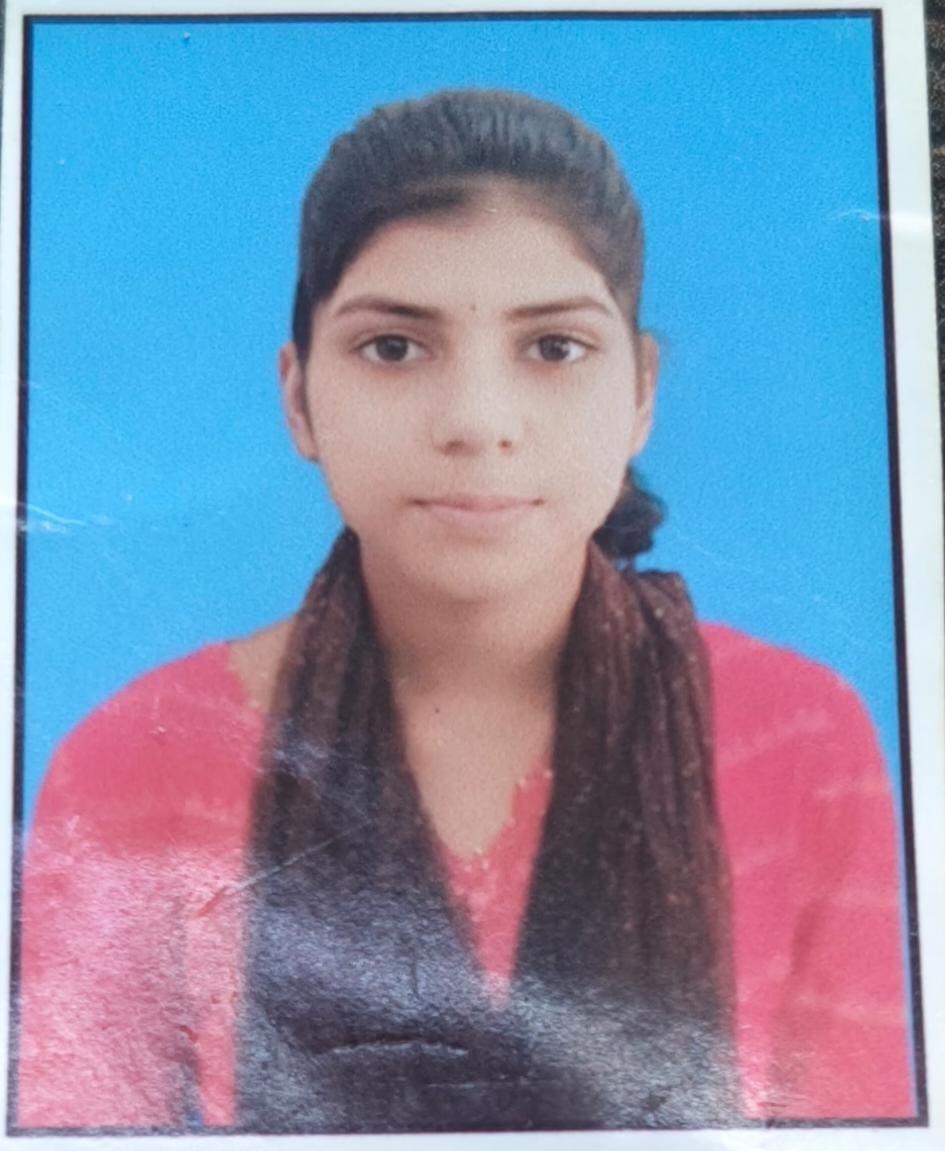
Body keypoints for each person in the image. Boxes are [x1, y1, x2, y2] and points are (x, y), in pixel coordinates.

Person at [15, 88, 913, 1133]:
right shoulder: (135, 763)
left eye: (554, 347)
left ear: (640, 394)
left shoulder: (799, 738)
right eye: (395, 347)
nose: (479, 422)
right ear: (299, 398)